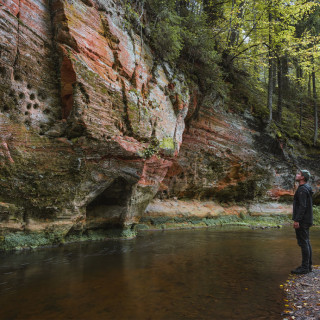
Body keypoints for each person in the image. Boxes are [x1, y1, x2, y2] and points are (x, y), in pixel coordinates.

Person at [291, 169, 313, 274]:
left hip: (303, 221)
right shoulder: (305, 188)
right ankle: (308, 266)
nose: (296, 175)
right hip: (306, 219)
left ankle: (305, 268)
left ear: (303, 177)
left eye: (298, 174)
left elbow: (302, 206)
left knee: (303, 243)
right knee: (306, 242)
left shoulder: (302, 190)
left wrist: (297, 220)